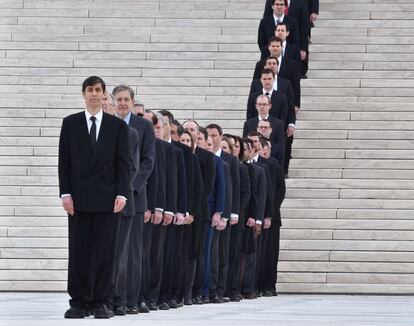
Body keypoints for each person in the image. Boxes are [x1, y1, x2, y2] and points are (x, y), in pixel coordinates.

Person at [59, 76, 130, 319]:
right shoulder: (70, 123)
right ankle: (79, 301)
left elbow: (124, 163)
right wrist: (65, 193)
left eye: (97, 90)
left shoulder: (117, 126)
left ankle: (102, 301)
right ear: (83, 93)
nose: (93, 94)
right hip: (78, 199)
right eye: (89, 90)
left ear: (103, 95)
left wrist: (122, 192)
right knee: (79, 251)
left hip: (107, 199)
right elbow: (64, 162)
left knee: (104, 252)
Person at [112, 85, 156, 314]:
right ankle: (113, 297)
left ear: (132, 101)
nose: (122, 103)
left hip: (135, 198)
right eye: (118, 99)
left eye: (125, 99)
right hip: (110, 201)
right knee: (114, 252)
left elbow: (148, 162)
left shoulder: (144, 126)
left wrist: (128, 189)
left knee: (133, 254)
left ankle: (131, 300)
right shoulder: (108, 123)